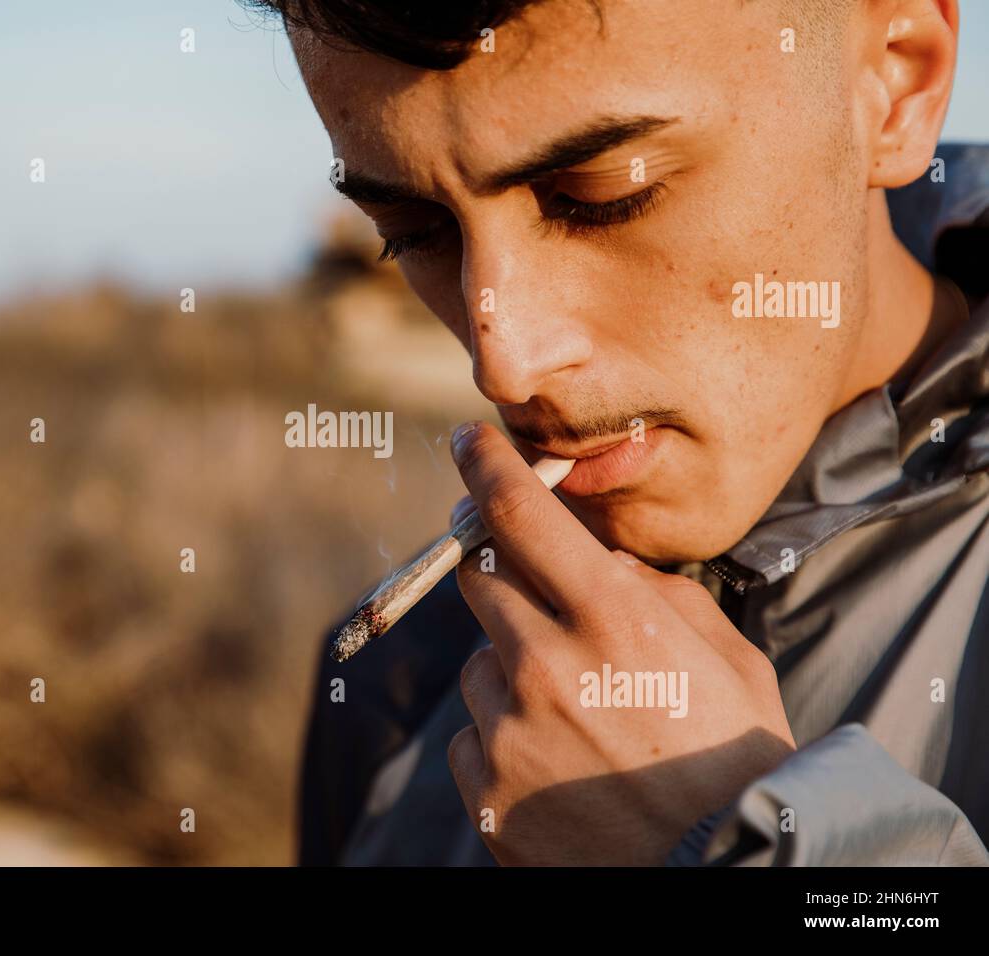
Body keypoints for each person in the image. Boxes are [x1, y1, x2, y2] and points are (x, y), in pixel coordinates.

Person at [247, 0, 989, 865]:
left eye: (603, 198)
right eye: (415, 235)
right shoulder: (401, 684)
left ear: (898, 80)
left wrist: (719, 839)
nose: (506, 364)